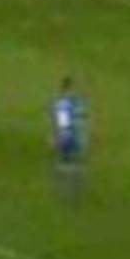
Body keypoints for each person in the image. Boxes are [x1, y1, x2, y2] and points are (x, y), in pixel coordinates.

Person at [51, 76, 89, 206]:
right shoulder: (76, 103)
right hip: (75, 136)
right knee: (73, 163)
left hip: (70, 136)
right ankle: (73, 190)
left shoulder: (64, 104)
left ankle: (67, 191)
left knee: (67, 163)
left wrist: (59, 138)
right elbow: (80, 119)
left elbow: (64, 123)